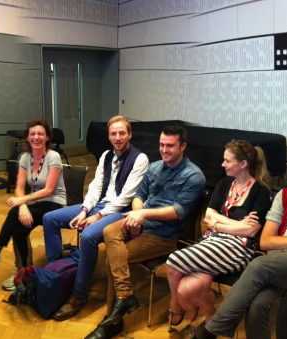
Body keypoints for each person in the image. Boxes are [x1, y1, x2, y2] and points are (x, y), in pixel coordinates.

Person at [190, 141, 287, 339]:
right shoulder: (283, 195)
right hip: (279, 262)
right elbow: (265, 241)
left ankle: (209, 333)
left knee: (259, 264)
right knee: (257, 306)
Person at [86, 124, 205, 339]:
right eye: (161, 145)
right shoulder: (155, 167)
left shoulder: (193, 176)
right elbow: (139, 195)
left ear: (183, 146)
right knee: (109, 231)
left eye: (170, 146)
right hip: (143, 225)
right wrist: (137, 215)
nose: (164, 150)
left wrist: (143, 216)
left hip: (164, 236)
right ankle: (124, 297)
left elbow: (179, 211)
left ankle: (112, 321)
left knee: (111, 260)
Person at [41, 115, 149, 321]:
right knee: (49, 219)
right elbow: (95, 187)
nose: (117, 137)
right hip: (99, 206)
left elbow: (126, 196)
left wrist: (97, 216)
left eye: (121, 133)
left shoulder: (140, 158)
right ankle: (57, 275)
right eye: (113, 133)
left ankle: (79, 294)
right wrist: (84, 211)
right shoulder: (107, 155)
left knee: (89, 235)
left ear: (130, 134)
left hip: (121, 210)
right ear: (109, 136)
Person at [164, 140, 272, 328]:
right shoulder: (224, 184)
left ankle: (176, 306)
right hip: (212, 242)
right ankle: (211, 317)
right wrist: (236, 224)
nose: (223, 165)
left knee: (173, 261)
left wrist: (218, 225)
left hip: (239, 249)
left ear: (243, 164)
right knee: (185, 288)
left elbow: (251, 230)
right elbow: (208, 215)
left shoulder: (260, 192)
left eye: (227, 161)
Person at [0, 119, 68, 291]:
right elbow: (19, 188)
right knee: (18, 229)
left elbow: (49, 190)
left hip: (55, 204)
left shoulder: (53, 156)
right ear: (27, 138)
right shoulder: (24, 158)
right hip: (35, 203)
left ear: (47, 137)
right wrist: (22, 206)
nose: (36, 137)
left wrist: (21, 201)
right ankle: (23, 272)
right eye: (33, 134)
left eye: (40, 134)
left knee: (13, 215)